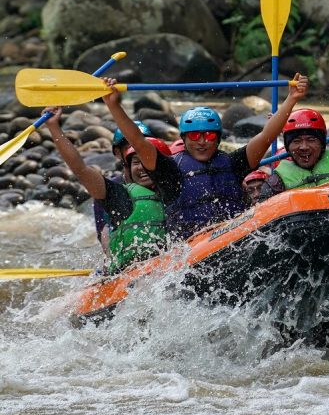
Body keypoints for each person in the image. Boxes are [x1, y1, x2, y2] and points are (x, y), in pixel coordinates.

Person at [102, 73, 309, 240]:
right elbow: (138, 142)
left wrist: (291, 98)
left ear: (218, 139)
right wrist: (113, 105)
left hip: (235, 238)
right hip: (192, 250)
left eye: (209, 135)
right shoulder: (170, 171)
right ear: (184, 138)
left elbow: (266, 136)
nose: (202, 142)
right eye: (194, 135)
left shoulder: (232, 163)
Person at [45, 107, 172, 274]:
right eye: (135, 162)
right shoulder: (120, 195)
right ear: (123, 159)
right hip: (131, 269)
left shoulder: (176, 185)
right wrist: (54, 127)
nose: (142, 168)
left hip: (170, 264)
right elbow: (81, 170)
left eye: (146, 159)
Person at [93, 121, 153, 257]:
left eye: (142, 145)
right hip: (124, 255)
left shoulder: (164, 181)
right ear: (117, 153)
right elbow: (104, 232)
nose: (136, 150)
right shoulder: (109, 190)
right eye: (130, 146)